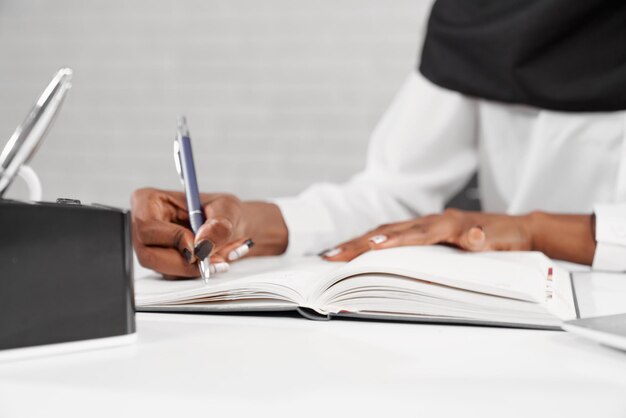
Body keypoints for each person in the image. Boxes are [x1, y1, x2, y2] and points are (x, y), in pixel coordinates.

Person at [131, 0, 626, 278]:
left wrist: (532, 230)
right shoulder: (482, 13)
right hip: (522, 323)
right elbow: (394, 195)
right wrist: (247, 225)